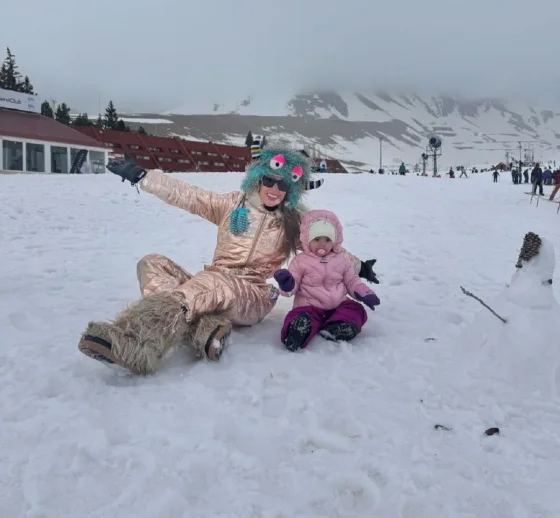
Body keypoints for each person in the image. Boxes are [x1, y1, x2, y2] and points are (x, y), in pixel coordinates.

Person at [78, 147, 379, 374]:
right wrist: (144, 177)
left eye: (283, 185)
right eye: (269, 180)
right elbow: (188, 195)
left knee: (211, 283)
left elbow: (323, 246)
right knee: (151, 263)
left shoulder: (292, 222)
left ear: (290, 191)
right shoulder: (230, 206)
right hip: (214, 280)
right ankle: (203, 329)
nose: (274, 189)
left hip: (254, 295)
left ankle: (137, 343)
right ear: (258, 178)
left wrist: (359, 266)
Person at [274, 209, 380, 351]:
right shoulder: (300, 261)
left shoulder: (342, 259)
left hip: (338, 305)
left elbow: (351, 280)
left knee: (356, 309)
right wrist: (287, 284)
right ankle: (296, 332)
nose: (322, 244)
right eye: (317, 239)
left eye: (327, 240)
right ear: (307, 240)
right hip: (309, 306)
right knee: (297, 316)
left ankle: (340, 326)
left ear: (335, 241)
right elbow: (293, 284)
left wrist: (365, 293)